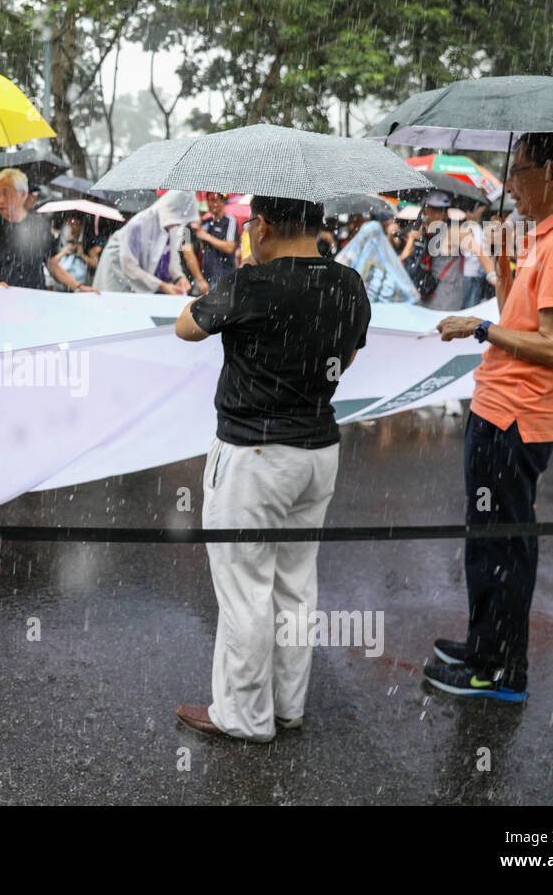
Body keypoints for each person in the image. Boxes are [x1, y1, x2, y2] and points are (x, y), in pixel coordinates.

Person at [173, 196, 371, 740]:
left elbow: (186, 326)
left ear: (261, 225)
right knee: (295, 584)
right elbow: (347, 357)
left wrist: (237, 280)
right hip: (317, 452)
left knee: (245, 588)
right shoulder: (348, 284)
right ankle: (288, 705)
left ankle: (243, 715)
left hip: (252, 457)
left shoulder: (250, 283)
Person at [429, 132, 553, 702]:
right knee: (493, 541)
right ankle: (487, 647)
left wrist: (477, 328)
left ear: (552, 173)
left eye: (521, 170)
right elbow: (523, 320)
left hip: (514, 416)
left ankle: (497, 670)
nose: (511, 184)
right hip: (508, 411)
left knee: (501, 547)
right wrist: (505, 270)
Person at [0, 168, 85, 291]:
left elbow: (52, 265)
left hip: (33, 298)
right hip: (1, 302)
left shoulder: (40, 225)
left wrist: (78, 286)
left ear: (22, 194)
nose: (0, 200)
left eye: (6, 193)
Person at [93, 190, 198, 294]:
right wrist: (161, 285)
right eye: (177, 220)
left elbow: (172, 255)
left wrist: (178, 277)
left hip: (145, 276)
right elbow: (129, 267)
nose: (178, 225)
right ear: (170, 212)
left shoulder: (174, 226)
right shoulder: (139, 224)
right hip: (118, 271)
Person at [188, 192, 239, 294]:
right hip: (207, 277)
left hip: (224, 277)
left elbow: (230, 247)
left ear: (222, 202)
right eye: (209, 200)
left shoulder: (229, 221)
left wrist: (207, 237)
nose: (211, 204)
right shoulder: (206, 222)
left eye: (214, 200)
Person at [459, 201, 498, 308]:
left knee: (471, 309)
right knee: (467, 310)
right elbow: (476, 252)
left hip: (477, 275)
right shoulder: (466, 228)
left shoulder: (478, 228)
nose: (481, 212)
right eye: (478, 209)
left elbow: (484, 251)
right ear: (468, 213)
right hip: (467, 275)